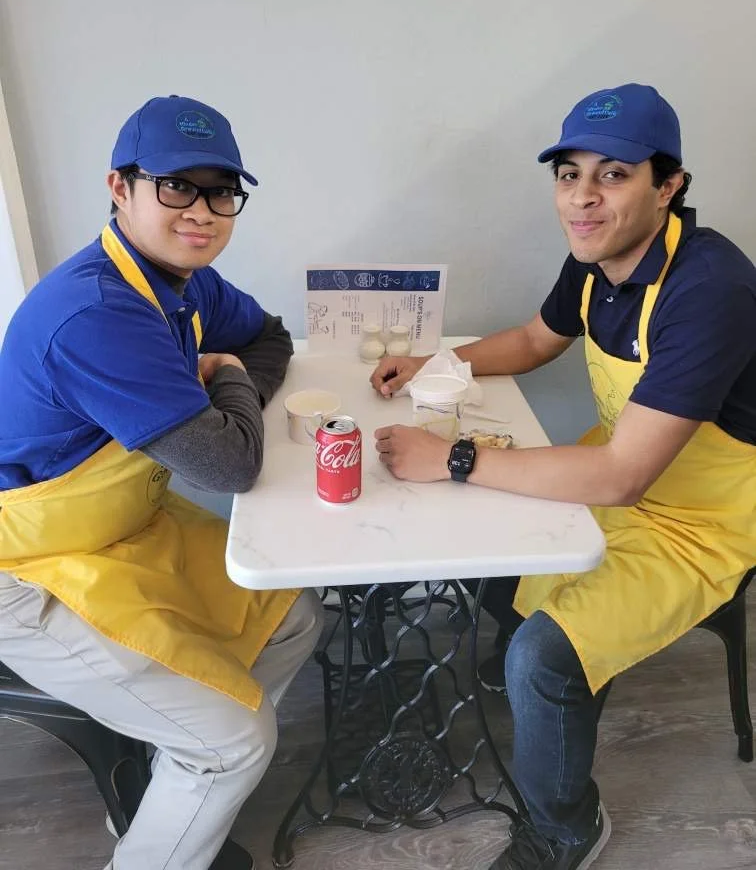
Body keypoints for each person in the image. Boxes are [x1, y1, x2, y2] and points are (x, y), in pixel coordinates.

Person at [370, 83, 756, 870]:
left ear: (668, 186)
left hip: (703, 520)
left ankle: (565, 826)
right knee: (482, 546)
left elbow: (622, 478)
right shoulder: (597, 257)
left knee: (540, 659)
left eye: (613, 175)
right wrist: (437, 364)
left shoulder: (709, 290)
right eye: (568, 174)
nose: (582, 197)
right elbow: (534, 340)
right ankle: (543, 682)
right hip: (621, 467)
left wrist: (452, 459)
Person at [0, 95, 323, 870]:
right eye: (176, 186)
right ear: (120, 188)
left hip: (122, 524)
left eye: (221, 191)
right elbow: (229, 465)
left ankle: (176, 782)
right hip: (26, 565)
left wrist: (230, 381)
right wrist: (231, 390)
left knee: (290, 616)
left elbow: (267, 335)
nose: (201, 211)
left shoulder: (183, 283)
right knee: (233, 743)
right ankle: (191, 780)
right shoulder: (96, 313)